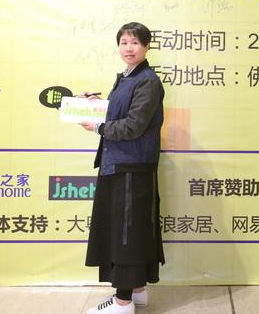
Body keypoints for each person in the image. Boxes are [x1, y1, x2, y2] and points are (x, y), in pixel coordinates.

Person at [80, 22, 165, 314]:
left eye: (135, 42)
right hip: (119, 164)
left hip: (131, 166)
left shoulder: (147, 81)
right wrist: (95, 105)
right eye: (124, 42)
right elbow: (118, 112)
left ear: (147, 47)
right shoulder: (127, 77)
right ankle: (137, 292)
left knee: (127, 234)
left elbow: (133, 125)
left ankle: (123, 301)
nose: (129, 48)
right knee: (128, 231)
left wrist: (98, 127)